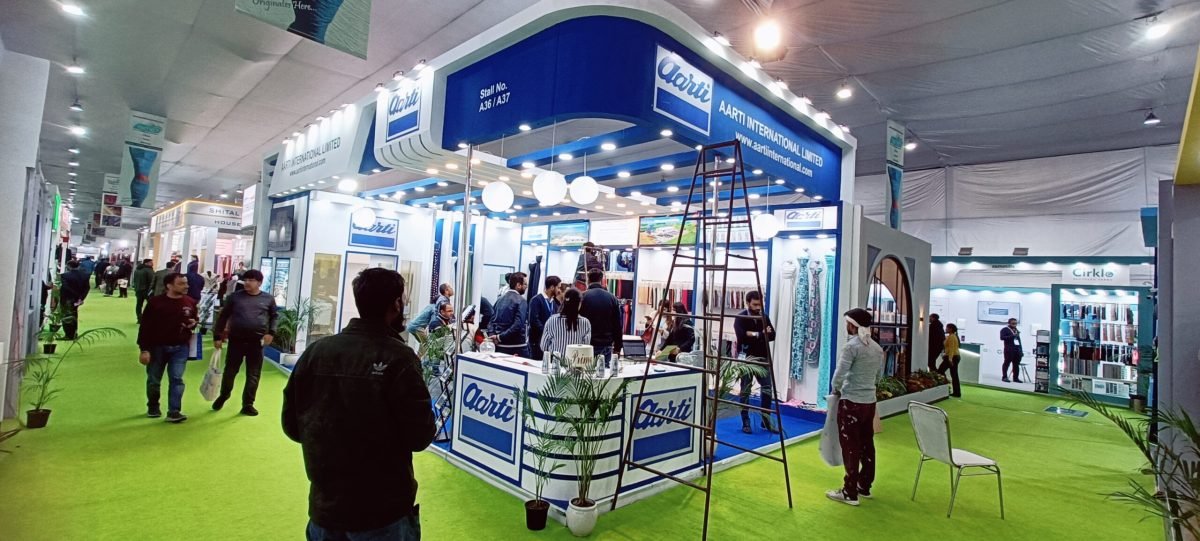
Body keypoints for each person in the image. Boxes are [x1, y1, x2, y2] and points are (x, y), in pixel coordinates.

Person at [283, 267, 435, 541]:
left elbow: (292, 426)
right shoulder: (400, 358)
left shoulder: (317, 351)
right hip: (383, 512)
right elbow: (420, 435)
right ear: (396, 304)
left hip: (325, 507)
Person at [826, 308, 886, 506]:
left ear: (852, 325)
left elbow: (840, 373)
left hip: (851, 402)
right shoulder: (877, 348)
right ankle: (864, 485)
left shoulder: (851, 347)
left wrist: (835, 389)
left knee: (850, 446)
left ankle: (849, 492)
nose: (846, 326)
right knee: (867, 444)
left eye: (847, 323)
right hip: (869, 403)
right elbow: (879, 377)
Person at [212, 269, 277, 416]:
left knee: (253, 374)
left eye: (251, 280)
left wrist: (271, 333)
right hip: (236, 341)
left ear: (259, 283)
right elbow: (223, 317)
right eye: (246, 280)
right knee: (230, 371)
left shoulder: (268, 299)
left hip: (256, 342)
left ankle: (248, 404)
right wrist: (217, 336)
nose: (247, 283)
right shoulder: (235, 297)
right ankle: (224, 395)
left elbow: (274, 316)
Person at [137, 272, 198, 423]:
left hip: (180, 347)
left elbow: (194, 319)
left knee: (177, 379)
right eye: (181, 284)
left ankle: (174, 411)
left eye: (186, 283)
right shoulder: (155, 303)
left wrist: (193, 323)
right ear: (169, 286)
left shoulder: (190, 302)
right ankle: (153, 406)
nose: (186, 286)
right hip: (156, 347)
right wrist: (144, 349)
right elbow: (145, 327)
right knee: (154, 379)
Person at [734, 290, 778, 434]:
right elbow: (741, 336)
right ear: (747, 303)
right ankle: (745, 421)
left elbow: (772, 335)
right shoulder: (740, 317)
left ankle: (766, 420)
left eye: (760, 304)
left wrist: (753, 334)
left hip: (762, 357)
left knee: (767, 389)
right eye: (755, 304)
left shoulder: (764, 316)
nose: (758, 307)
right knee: (745, 390)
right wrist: (760, 334)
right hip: (746, 357)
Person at [579, 269, 621, 367]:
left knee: (584, 373)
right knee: (603, 373)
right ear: (601, 279)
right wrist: (618, 347)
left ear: (588, 279)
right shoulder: (612, 298)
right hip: (606, 344)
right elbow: (617, 325)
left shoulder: (582, 297)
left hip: (585, 344)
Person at [540, 288, 591, 359]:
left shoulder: (552, 320)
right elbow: (585, 347)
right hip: (575, 363)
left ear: (564, 302)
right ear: (579, 304)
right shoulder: (585, 323)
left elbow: (544, 346)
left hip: (555, 362)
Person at [488, 272, 529, 357]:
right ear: (518, 285)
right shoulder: (521, 301)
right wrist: (499, 337)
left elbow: (491, 321)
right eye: (525, 284)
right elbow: (518, 325)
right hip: (516, 347)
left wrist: (493, 335)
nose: (527, 287)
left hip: (499, 347)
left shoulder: (499, 300)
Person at [528, 276, 562, 362]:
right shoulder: (536, 300)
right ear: (552, 287)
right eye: (558, 287)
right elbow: (534, 320)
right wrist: (547, 331)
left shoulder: (555, 302)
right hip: (537, 341)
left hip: (549, 342)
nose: (559, 290)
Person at [58, 260, 91, 340]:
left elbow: (66, 287)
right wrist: (81, 297)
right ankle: (74, 333)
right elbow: (87, 288)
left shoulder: (65, 276)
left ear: (68, 266)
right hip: (77, 299)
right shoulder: (85, 275)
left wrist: (75, 294)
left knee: (67, 316)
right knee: (74, 314)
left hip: (67, 298)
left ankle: (69, 335)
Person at [938, 323, 962, 397]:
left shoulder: (951, 337)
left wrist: (950, 359)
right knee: (954, 375)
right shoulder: (952, 336)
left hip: (952, 357)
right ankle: (956, 392)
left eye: (947, 328)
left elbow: (951, 348)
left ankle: (945, 385)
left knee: (940, 371)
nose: (946, 329)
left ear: (951, 329)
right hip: (954, 356)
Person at [1000, 317, 1023, 383]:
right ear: (1009, 323)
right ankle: (1004, 377)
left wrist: (1021, 350)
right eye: (1013, 323)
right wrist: (1012, 336)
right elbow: (1002, 338)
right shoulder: (1005, 329)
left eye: (1015, 323)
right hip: (1009, 350)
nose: (1014, 325)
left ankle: (1015, 378)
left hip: (1017, 350)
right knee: (1006, 363)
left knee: (1016, 364)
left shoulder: (1016, 330)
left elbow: (1019, 341)